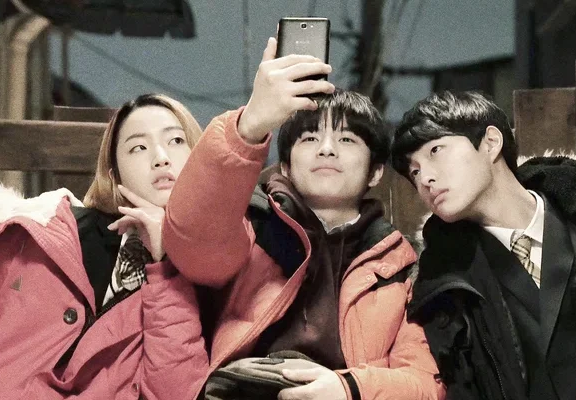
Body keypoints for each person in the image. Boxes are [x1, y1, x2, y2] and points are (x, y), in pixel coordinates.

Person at [162, 37, 443, 400]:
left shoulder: (400, 265)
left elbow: (425, 382)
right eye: (310, 138)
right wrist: (249, 126)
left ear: (375, 172)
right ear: (286, 166)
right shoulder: (251, 227)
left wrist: (347, 389)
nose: (326, 149)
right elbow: (193, 245)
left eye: (346, 140)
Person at [390, 90, 576, 399]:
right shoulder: (445, 288)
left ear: (491, 142)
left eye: (435, 151)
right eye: (414, 171)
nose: (425, 179)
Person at [0, 93, 208, 399]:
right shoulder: (52, 231)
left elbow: (174, 392)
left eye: (176, 140)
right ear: (115, 174)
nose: (161, 157)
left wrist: (164, 264)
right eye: (138, 147)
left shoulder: (209, 270)